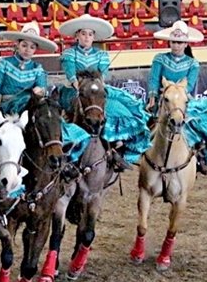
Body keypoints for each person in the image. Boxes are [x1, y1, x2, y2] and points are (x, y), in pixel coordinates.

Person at [59, 15, 150, 172]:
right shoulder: (68, 54)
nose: (87, 37)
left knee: (118, 107)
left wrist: (96, 88)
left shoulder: (101, 55)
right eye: (83, 34)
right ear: (77, 35)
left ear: (94, 37)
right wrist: (82, 87)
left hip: (97, 89)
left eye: (90, 34)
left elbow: (102, 77)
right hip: (75, 90)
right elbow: (72, 77)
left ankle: (115, 147)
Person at [0, 22, 88, 167]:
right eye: (24, 45)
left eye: (32, 47)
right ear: (17, 44)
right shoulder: (3, 64)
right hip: (8, 109)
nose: (27, 50)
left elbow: (42, 89)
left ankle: (64, 160)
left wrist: (39, 92)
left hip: (31, 107)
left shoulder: (38, 69)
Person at [147, 21, 207, 174]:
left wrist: (177, 93)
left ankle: (200, 155)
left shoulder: (193, 63)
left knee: (201, 124)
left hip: (182, 99)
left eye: (180, 42)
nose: (176, 45)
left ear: (186, 44)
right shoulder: (159, 59)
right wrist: (153, 96)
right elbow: (154, 79)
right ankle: (138, 151)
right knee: (142, 121)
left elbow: (190, 85)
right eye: (174, 42)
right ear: (170, 42)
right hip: (163, 98)